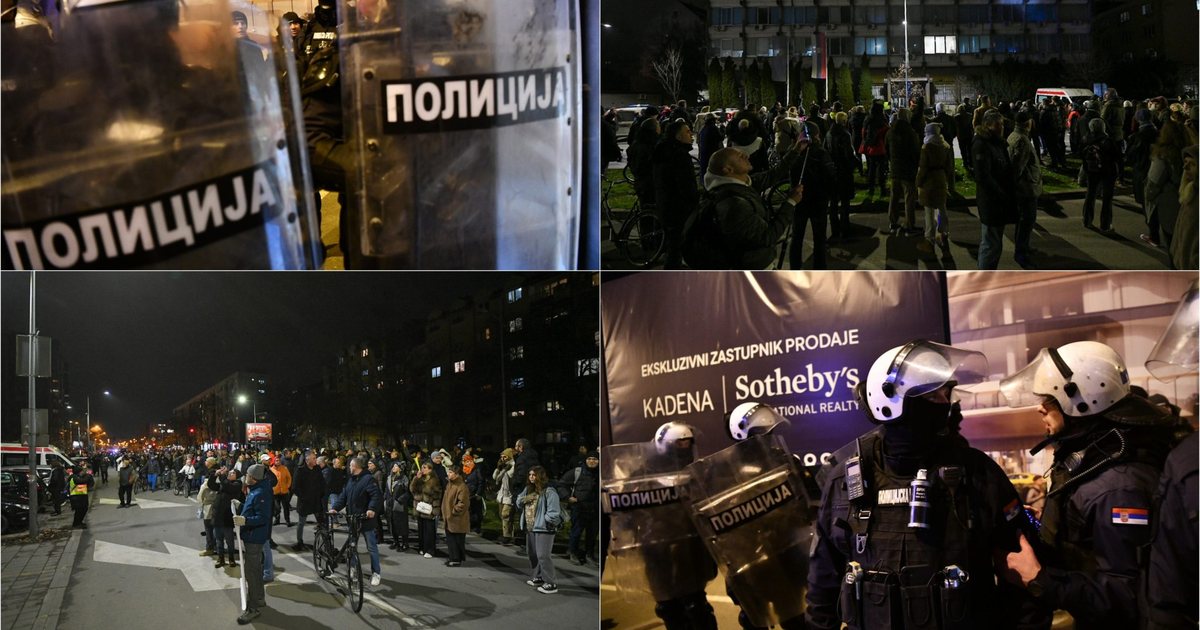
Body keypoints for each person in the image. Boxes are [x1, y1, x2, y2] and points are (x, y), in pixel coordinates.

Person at [806, 341, 1050, 630]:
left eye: (946, 394)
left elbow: (1022, 574)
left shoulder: (977, 473)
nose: (945, 404)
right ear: (892, 401)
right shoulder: (847, 480)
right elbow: (823, 582)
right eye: (933, 396)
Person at [998, 341, 1176, 630]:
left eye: (1049, 400)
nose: (1040, 408)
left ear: (1084, 400)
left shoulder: (1118, 486)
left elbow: (1125, 596)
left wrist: (1039, 579)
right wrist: (1061, 525)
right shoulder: (1099, 457)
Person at [693, 139, 806, 269]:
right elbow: (767, 236)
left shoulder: (741, 183)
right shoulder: (733, 204)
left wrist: (796, 150)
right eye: (740, 157)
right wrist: (790, 202)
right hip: (753, 266)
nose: (746, 156)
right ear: (728, 169)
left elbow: (773, 174)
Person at [653, 119, 700, 269]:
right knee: (676, 243)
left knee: (673, 241)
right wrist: (694, 201)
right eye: (687, 131)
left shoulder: (663, 150)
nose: (691, 134)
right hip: (678, 207)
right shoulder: (679, 155)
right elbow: (685, 184)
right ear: (678, 136)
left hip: (665, 203)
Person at [330, 456, 384, 586]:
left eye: (350, 465)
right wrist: (335, 508)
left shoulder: (368, 479)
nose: (349, 467)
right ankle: (352, 568)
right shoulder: (351, 480)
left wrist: (371, 509)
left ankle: (376, 573)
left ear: (355, 466)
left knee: (372, 547)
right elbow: (344, 496)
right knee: (352, 546)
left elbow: (376, 496)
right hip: (353, 520)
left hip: (365, 520)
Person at [787, 121, 835, 269]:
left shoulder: (794, 151)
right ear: (816, 134)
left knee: (797, 236)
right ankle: (819, 269)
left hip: (799, 198)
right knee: (819, 238)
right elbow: (830, 176)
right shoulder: (820, 152)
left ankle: (795, 268)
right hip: (817, 200)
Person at [973, 109, 1016, 269]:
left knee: (994, 243)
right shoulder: (982, 144)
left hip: (998, 201)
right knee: (991, 244)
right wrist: (1001, 193)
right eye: (998, 124)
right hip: (991, 202)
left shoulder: (996, 142)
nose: (1001, 127)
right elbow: (983, 176)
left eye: (1002, 124)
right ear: (988, 125)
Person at [234, 464, 272, 625]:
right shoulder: (256, 489)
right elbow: (252, 509)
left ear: (254, 478)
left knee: (251, 574)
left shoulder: (261, 493)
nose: (246, 477)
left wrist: (245, 520)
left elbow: (263, 517)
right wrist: (241, 506)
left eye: (248, 475)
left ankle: (253, 608)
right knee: (256, 571)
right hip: (252, 536)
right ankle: (260, 599)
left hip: (254, 538)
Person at [1145, 120, 1189, 252]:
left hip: (1169, 201)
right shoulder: (1190, 151)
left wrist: (1149, 196)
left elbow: (1154, 181)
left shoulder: (1163, 154)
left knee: (1172, 242)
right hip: (1187, 199)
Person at [517, 465, 562, 594]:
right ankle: (538, 577)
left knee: (543, 555)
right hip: (530, 527)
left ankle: (551, 583)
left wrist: (545, 520)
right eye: (530, 475)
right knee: (532, 554)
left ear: (540, 476)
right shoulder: (528, 489)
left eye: (534, 475)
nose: (531, 477)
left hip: (544, 528)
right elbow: (518, 501)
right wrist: (525, 499)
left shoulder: (549, 491)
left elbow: (554, 511)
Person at [1008, 111, 1043, 268]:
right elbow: (1017, 167)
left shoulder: (1014, 135)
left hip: (1025, 187)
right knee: (1027, 221)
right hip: (1026, 189)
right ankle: (1021, 253)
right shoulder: (1022, 140)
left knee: (1024, 221)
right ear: (1028, 123)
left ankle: (1024, 248)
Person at [916, 121, 955, 254]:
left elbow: (923, 167)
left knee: (929, 211)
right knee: (942, 207)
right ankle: (943, 232)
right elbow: (950, 167)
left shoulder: (927, 147)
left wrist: (918, 182)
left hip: (929, 181)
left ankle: (929, 239)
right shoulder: (945, 145)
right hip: (941, 178)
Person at [558, 451, 599, 565]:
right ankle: (573, 552)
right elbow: (561, 484)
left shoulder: (602, 473)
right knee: (576, 532)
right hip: (579, 508)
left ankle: (589, 554)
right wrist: (568, 497)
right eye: (589, 459)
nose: (592, 461)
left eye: (595, 459)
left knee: (592, 534)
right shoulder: (577, 472)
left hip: (595, 508)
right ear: (585, 460)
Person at [1082, 118, 1122, 232]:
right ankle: (1105, 225)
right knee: (1107, 198)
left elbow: (1082, 155)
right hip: (1108, 171)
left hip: (1092, 170)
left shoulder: (1086, 139)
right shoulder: (1108, 141)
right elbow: (1117, 156)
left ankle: (1087, 220)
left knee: (1090, 195)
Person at [826, 111, 859, 241]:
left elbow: (825, 150)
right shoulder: (845, 134)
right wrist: (855, 164)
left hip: (832, 171)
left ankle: (835, 229)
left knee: (833, 202)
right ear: (844, 121)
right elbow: (848, 154)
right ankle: (845, 229)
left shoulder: (829, 133)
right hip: (843, 171)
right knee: (845, 202)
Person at [291, 451, 325, 551]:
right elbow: (295, 487)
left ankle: (326, 543)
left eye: (315, 458)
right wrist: (304, 497)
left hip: (316, 501)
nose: (316, 460)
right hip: (305, 502)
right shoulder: (300, 470)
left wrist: (321, 494)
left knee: (321, 522)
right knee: (301, 522)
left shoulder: (317, 469)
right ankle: (299, 542)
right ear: (307, 460)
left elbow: (322, 483)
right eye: (313, 458)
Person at [410, 461, 442, 559]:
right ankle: (422, 548)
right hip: (420, 508)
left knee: (429, 531)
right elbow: (412, 490)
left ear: (430, 469)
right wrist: (416, 479)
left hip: (429, 509)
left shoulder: (434, 480)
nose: (422, 469)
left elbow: (437, 495)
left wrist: (435, 510)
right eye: (422, 467)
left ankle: (430, 550)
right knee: (421, 530)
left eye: (425, 468)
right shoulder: (420, 479)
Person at [211, 467, 242, 569]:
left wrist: (222, 475)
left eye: (232, 473)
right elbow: (212, 485)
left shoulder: (237, 484)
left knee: (229, 541)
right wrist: (215, 475)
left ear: (237, 476)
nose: (230, 474)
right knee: (218, 540)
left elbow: (228, 486)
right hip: (217, 517)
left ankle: (231, 558)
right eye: (229, 472)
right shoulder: (225, 483)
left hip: (227, 517)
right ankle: (221, 558)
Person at [441, 464, 470, 567]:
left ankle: (456, 559)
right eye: (448, 472)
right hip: (449, 517)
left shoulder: (461, 486)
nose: (448, 474)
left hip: (457, 519)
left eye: (450, 472)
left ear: (456, 474)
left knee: (457, 540)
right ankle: (453, 558)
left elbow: (463, 503)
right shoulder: (450, 484)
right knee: (451, 540)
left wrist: (453, 512)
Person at [627, 119, 661, 208]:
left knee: (645, 206)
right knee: (652, 206)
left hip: (640, 181)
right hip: (650, 182)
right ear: (654, 129)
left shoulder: (637, 141)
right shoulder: (653, 142)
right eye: (658, 126)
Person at [860, 102, 890, 199]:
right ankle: (882, 189)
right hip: (880, 147)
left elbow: (863, 132)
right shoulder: (882, 120)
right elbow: (886, 134)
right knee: (881, 169)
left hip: (870, 148)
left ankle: (871, 189)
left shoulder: (868, 119)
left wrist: (866, 142)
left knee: (871, 169)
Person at [493, 448, 517, 545]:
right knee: (502, 515)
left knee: (505, 514)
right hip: (502, 494)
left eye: (505, 457)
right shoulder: (503, 466)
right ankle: (507, 534)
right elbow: (495, 478)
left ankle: (507, 536)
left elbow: (510, 475)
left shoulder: (513, 465)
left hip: (509, 494)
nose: (502, 459)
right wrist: (498, 469)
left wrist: (504, 469)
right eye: (501, 457)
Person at [386, 462, 411, 551]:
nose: (394, 467)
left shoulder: (404, 479)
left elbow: (408, 492)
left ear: (400, 468)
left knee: (402, 524)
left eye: (396, 466)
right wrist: (386, 499)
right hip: (390, 503)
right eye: (393, 466)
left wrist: (400, 500)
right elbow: (387, 490)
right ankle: (395, 541)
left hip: (400, 504)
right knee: (392, 523)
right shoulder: (389, 478)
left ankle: (405, 543)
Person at [697, 114, 725, 182]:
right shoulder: (713, 128)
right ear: (712, 120)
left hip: (704, 152)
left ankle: (703, 181)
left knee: (704, 167)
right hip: (711, 151)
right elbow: (720, 138)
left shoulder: (703, 128)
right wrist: (723, 130)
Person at [68, 462, 94, 529]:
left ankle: (79, 522)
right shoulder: (74, 477)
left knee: (84, 510)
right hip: (76, 497)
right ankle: (76, 524)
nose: (83, 472)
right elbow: (82, 481)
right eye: (82, 471)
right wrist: (88, 475)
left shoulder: (79, 476)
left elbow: (90, 484)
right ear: (78, 472)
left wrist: (88, 476)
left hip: (82, 496)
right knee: (79, 511)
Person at [955, 98, 976, 175]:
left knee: (963, 150)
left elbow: (955, 126)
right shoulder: (969, 115)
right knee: (969, 149)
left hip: (961, 135)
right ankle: (971, 162)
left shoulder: (956, 117)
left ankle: (965, 163)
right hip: (969, 135)